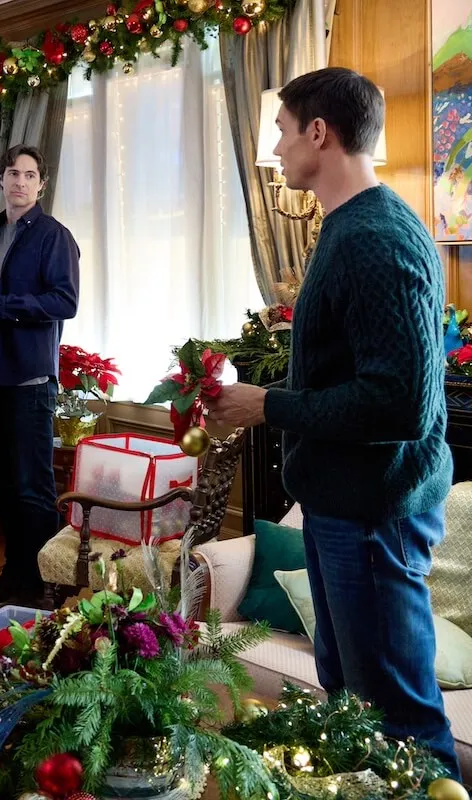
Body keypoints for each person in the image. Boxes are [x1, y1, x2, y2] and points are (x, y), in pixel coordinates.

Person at [204, 67, 460, 779]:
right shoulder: (349, 228)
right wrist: (255, 396)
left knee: (399, 720)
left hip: (374, 512)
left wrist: (269, 405)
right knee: (353, 710)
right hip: (345, 507)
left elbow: (400, 402)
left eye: (283, 132)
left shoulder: (377, 237)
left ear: (320, 132)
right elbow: (347, 375)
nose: (279, 149)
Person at [0, 144, 80, 606]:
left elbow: (64, 303)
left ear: (41, 184)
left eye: (30, 175)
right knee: (0, 480)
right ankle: (13, 576)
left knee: (32, 486)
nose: (20, 182)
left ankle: (41, 585)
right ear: (2, 179)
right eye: (13, 173)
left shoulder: (54, 236)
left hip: (28, 381)